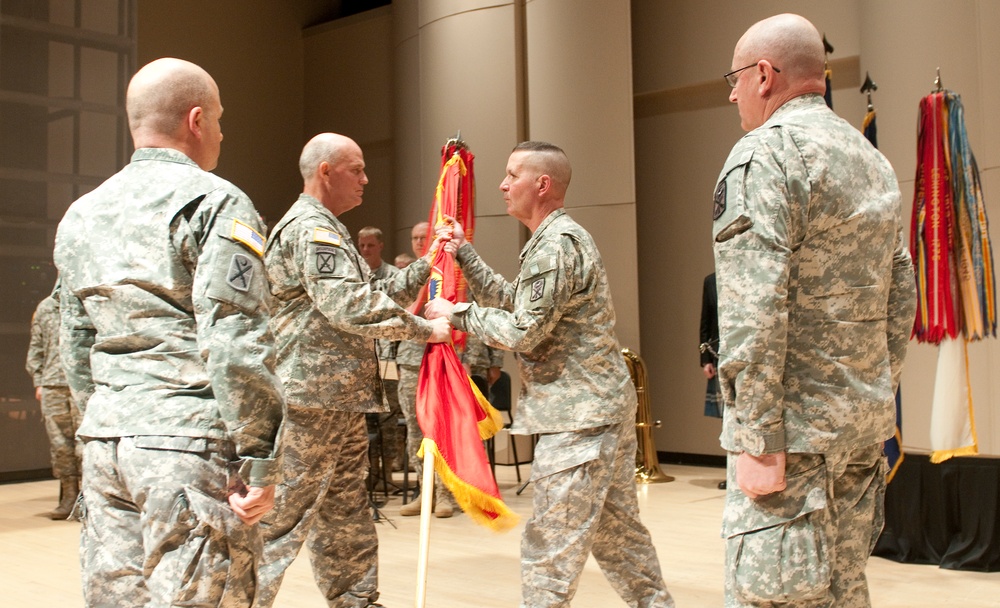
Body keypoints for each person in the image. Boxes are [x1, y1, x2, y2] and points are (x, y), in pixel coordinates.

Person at [53, 57, 284, 607]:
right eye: (221, 120)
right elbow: (234, 336)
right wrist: (259, 457)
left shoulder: (82, 214)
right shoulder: (214, 200)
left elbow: (75, 340)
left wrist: (106, 416)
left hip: (107, 445)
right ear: (196, 120)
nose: (222, 134)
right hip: (188, 447)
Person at [713, 14, 916, 607]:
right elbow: (900, 292)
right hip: (858, 432)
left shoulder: (763, 155)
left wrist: (756, 437)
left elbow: (754, 307)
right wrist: (873, 392)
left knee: (771, 598)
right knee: (843, 593)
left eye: (735, 77)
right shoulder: (868, 158)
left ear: (765, 74)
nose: (731, 93)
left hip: (790, 440)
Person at [425, 141, 674, 608]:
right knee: (619, 538)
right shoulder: (552, 240)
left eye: (512, 174)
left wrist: (455, 314)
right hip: (591, 410)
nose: (502, 184)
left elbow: (523, 330)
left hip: (578, 418)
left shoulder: (557, 245)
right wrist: (464, 254)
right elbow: (516, 302)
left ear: (542, 184)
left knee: (550, 548)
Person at [258, 132, 451, 608]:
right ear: (325, 171)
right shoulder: (312, 229)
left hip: (339, 399)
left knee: (346, 512)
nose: (366, 179)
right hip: (311, 398)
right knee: (282, 517)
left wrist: (430, 261)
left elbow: (376, 294)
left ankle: (357, 601)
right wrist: (427, 332)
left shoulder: (328, 228)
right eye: (357, 169)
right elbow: (349, 305)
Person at [396, 220, 459, 519]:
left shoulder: (445, 272)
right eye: (415, 237)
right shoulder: (409, 276)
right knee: (414, 430)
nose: (420, 241)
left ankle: (445, 493)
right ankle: (425, 491)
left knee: (440, 428)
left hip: (440, 358)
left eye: (425, 237)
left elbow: (461, 319)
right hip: (410, 360)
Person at [25, 283, 82, 520]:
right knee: (60, 446)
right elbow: (36, 348)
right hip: (53, 385)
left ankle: (89, 500)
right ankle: (68, 498)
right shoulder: (46, 308)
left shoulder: (84, 303)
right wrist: (38, 380)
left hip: (81, 385)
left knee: (86, 445)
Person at [357, 225, 406, 478]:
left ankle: (387, 470)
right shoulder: (355, 275)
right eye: (362, 245)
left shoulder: (394, 275)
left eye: (370, 245)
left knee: (387, 417)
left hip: (389, 357)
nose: (365, 250)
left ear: (380, 246)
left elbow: (399, 317)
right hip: (362, 359)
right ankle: (370, 473)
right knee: (365, 418)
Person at [699, 272, 726, 490]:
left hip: (743, 356)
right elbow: (706, 320)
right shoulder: (711, 280)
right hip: (718, 356)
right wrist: (705, 358)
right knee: (726, 419)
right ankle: (731, 471)